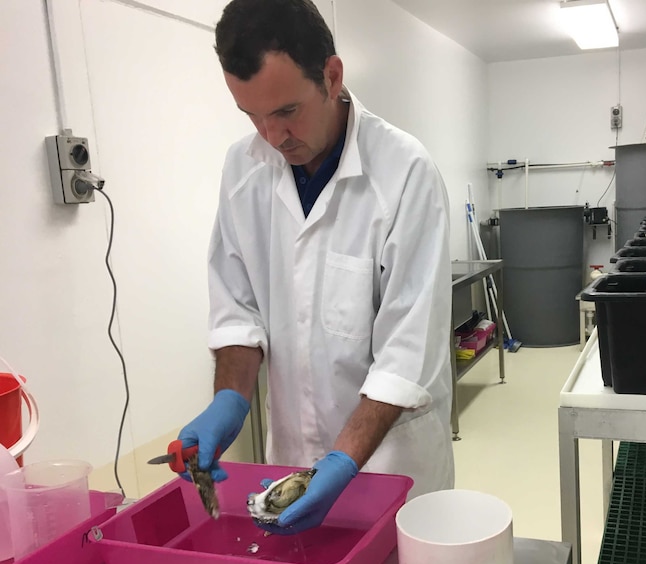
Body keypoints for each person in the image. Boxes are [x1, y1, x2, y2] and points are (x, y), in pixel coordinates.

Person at [175, 0, 454, 534]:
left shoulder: (404, 173)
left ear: (332, 76)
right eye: (252, 116)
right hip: (290, 462)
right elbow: (238, 309)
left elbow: (406, 351)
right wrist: (229, 399)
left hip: (392, 467)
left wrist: (344, 460)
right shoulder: (243, 169)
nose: (272, 136)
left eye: (285, 111)